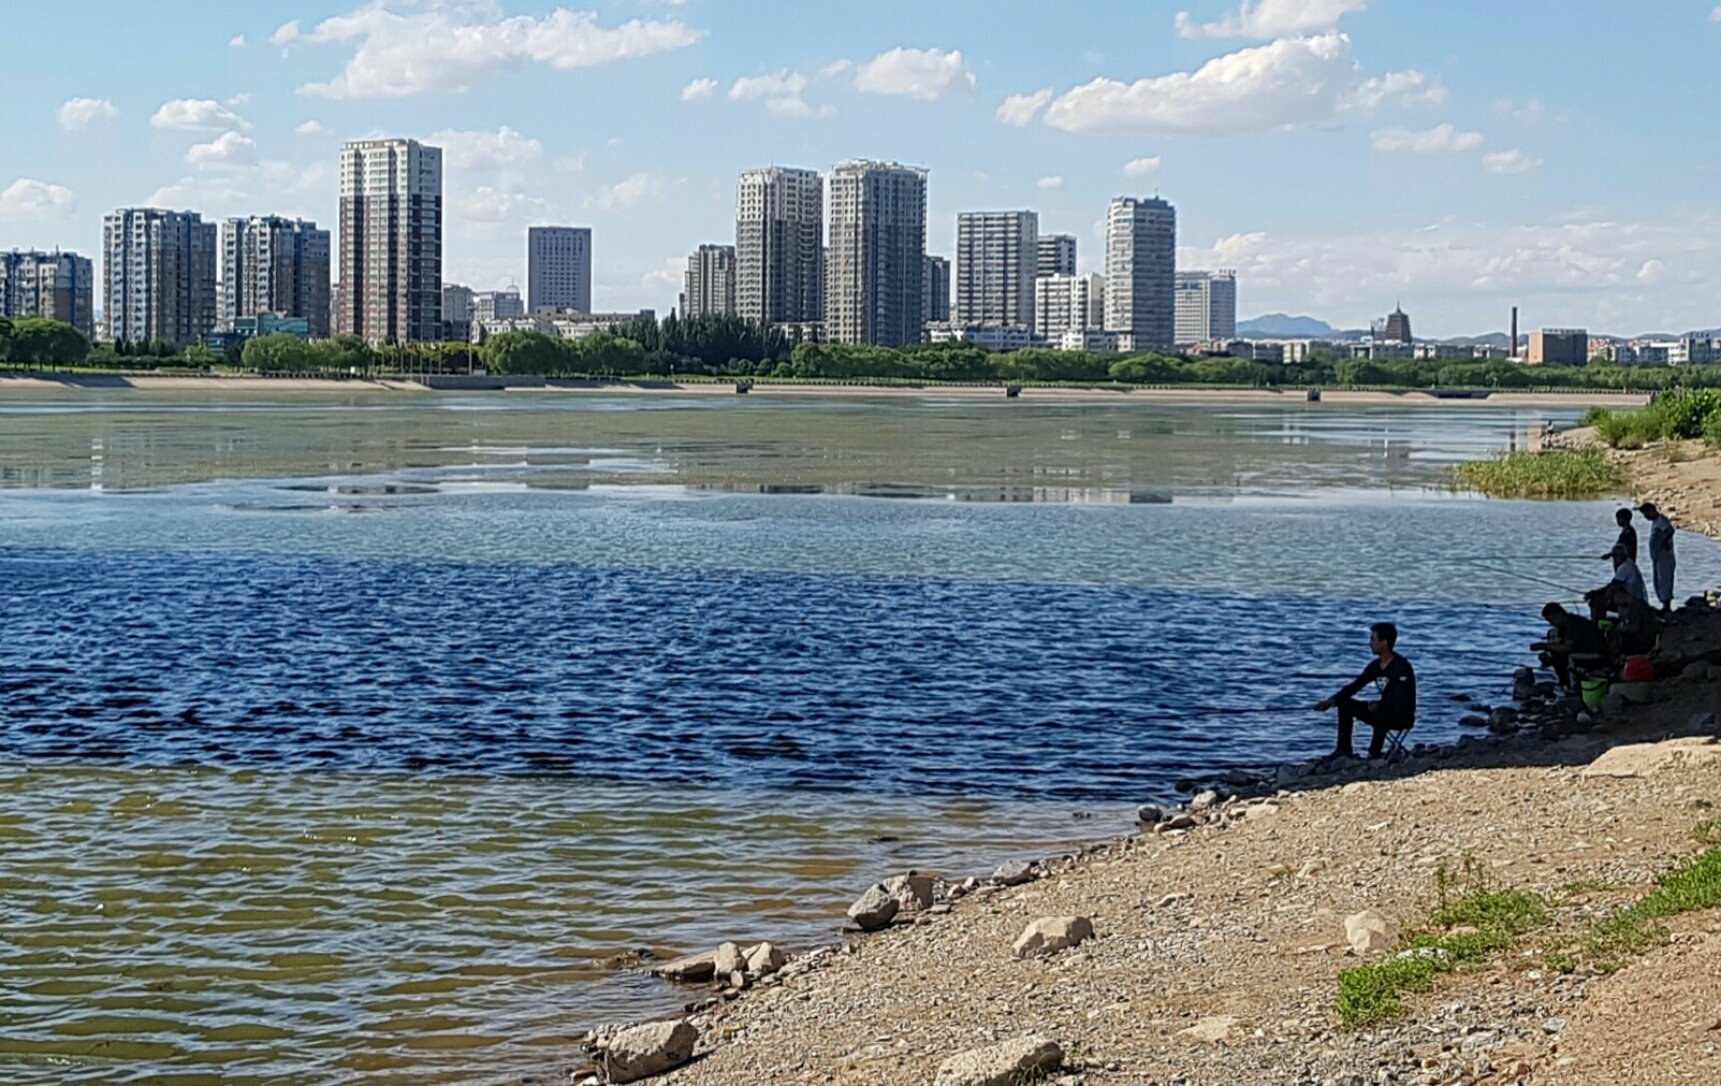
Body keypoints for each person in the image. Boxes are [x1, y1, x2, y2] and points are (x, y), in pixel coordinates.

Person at [1315, 622, 1416, 761]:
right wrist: (1331, 701)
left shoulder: (1402, 667)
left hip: (1401, 716)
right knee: (1345, 704)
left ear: (1384, 643)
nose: (1370, 643)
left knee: (1381, 713)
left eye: (1373, 639)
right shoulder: (1375, 666)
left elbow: (1401, 698)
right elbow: (1355, 686)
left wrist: (1380, 705)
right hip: (1382, 711)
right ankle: (1343, 750)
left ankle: (1374, 752)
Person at [1537, 603, 1611, 690]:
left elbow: (1567, 648)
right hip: (1584, 650)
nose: (1551, 623)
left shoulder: (1572, 625)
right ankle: (1564, 682)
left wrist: (1545, 646)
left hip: (1597, 654)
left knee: (1571, 657)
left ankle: (1572, 686)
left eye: (1551, 620)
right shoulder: (1567, 623)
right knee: (1557, 654)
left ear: (1558, 615)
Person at [1639, 502, 1677, 614]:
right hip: (1658, 557)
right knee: (1658, 581)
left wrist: (1661, 542)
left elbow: (1670, 530)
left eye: (1646, 514)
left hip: (1664, 556)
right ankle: (1664, 605)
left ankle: (1667, 606)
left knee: (1665, 580)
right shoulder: (1656, 522)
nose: (1645, 517)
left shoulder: (1662, 520)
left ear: (1651, 511)